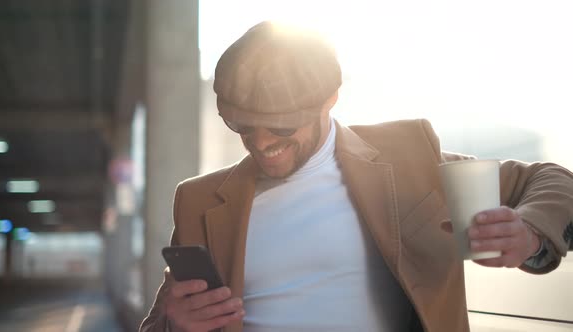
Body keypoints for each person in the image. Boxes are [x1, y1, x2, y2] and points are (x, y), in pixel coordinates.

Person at [140, 21, 573, 332]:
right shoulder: (199, 201)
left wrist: (530, 234)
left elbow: (551, 179)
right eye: (242, 127)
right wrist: (174, 325)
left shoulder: (410, 156)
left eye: (282, 127)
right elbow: (159, 323)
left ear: (330, 99)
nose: (260, 142)